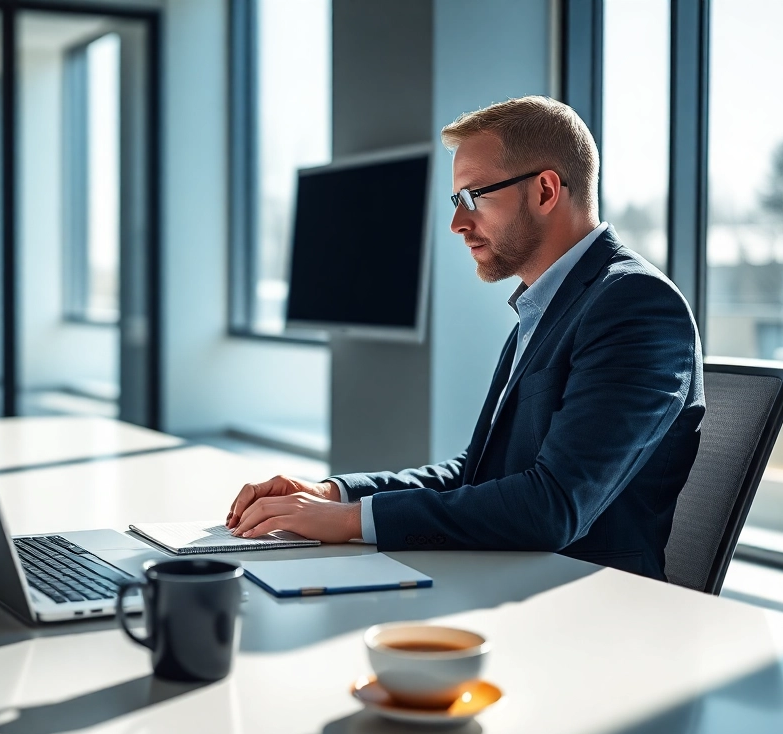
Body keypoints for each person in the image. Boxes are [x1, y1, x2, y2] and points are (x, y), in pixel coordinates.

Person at [225, 95, 704, 581]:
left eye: (473, 197)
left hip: (585, 609)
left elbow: (553, 505)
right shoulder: (548, 306)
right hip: (507, 580)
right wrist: (336, 494)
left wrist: (351, 523)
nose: (457, 224)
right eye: (457, 201)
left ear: (544, 190)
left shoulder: (635, 305)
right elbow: (479, 473)